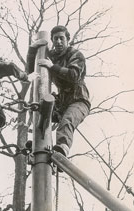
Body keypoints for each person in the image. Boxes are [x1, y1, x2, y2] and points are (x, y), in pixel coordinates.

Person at [26, 25, 90, 157]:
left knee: (67, 120)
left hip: (78, 100)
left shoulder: (75, 55)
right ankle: (38, 141)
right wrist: (33, 50)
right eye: (55, 39)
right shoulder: (52, 56)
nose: (58, 42)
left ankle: (62, 148)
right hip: (62, 101)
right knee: (37, 107)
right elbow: (31, 70)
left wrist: (52, 67)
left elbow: (73, 75)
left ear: (67, 40)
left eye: (61, 38)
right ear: (52, 41)